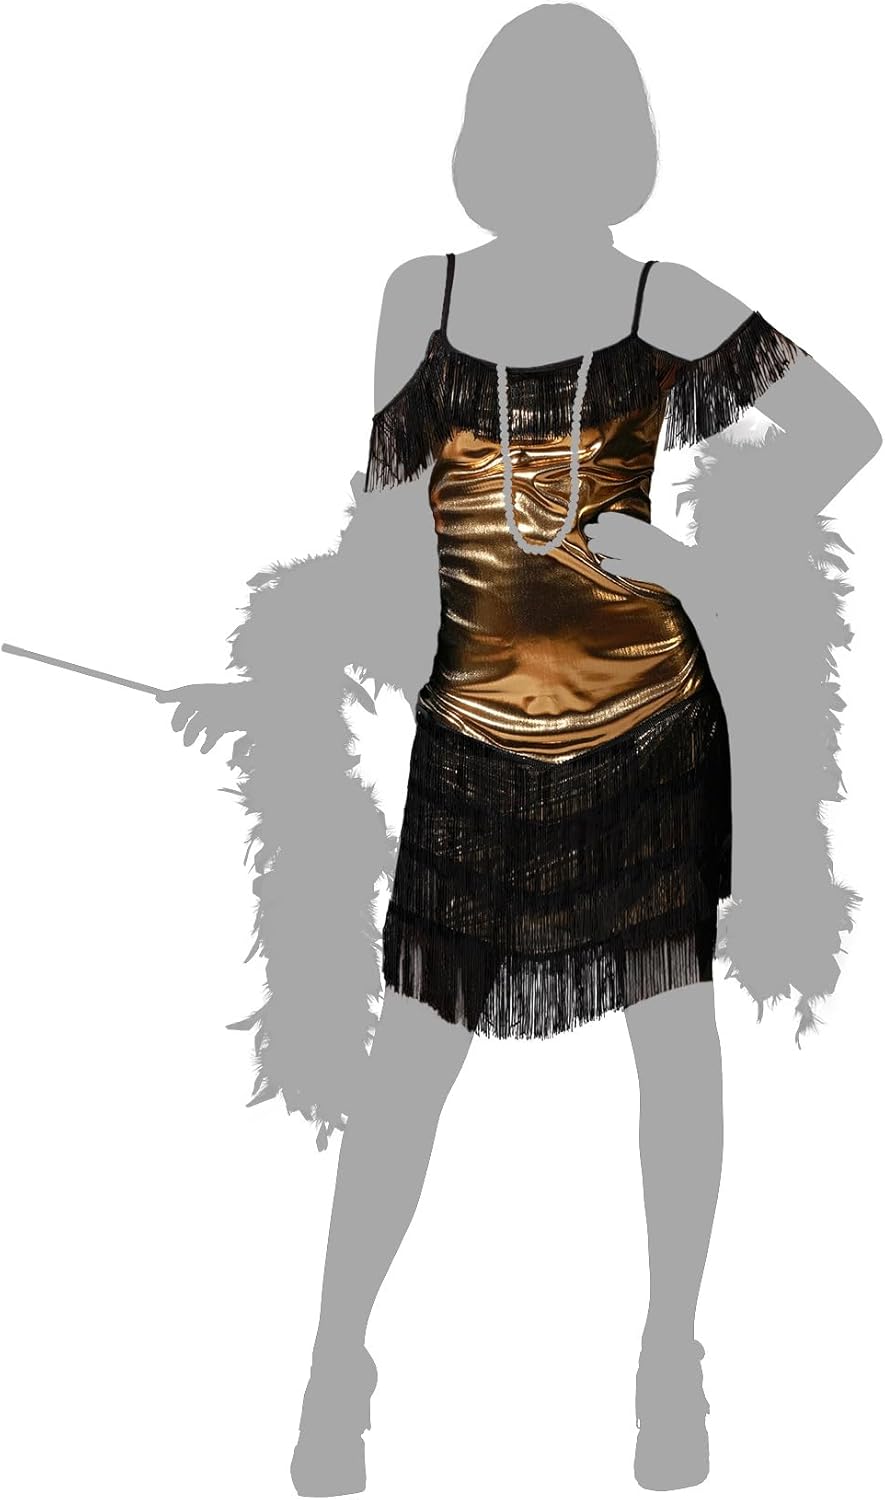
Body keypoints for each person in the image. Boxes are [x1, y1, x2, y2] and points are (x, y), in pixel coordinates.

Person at [157, 6, 879, 1493]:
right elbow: (380, 526)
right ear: (491, 143)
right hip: (471, 743)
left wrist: (691, 562)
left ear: (611, 148)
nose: (547, 157)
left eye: (571, 133)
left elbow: (845, 429)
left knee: (672, 1044)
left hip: (648, 739)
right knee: (413, 1058)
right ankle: (336, 1360)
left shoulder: (666, 299)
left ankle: (667, 1356)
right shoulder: (416, 296)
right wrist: (297, 668)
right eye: (526, 132)